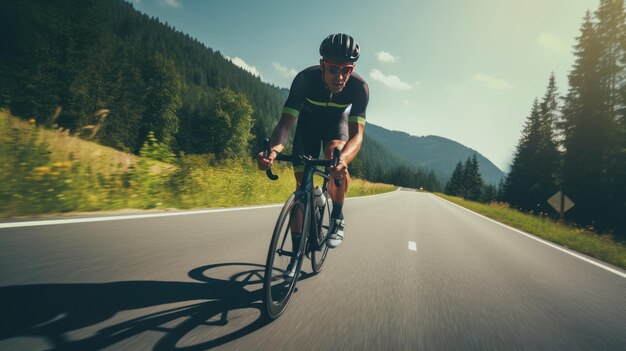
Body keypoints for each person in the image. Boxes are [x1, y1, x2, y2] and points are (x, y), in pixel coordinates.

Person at [258, 33, 369, 277]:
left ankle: (337, 218)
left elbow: (357, 135)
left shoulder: (359, 88)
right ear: (322, 65)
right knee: (302, 189)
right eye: (333, 69)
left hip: (335, 127)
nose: (339, 77)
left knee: (335, 155)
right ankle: (295, 258)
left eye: (346, 69)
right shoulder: (304, 80)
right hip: (307, 128)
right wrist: (274, 151)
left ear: (352, 68)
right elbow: (286, 124)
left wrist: (343, 161)